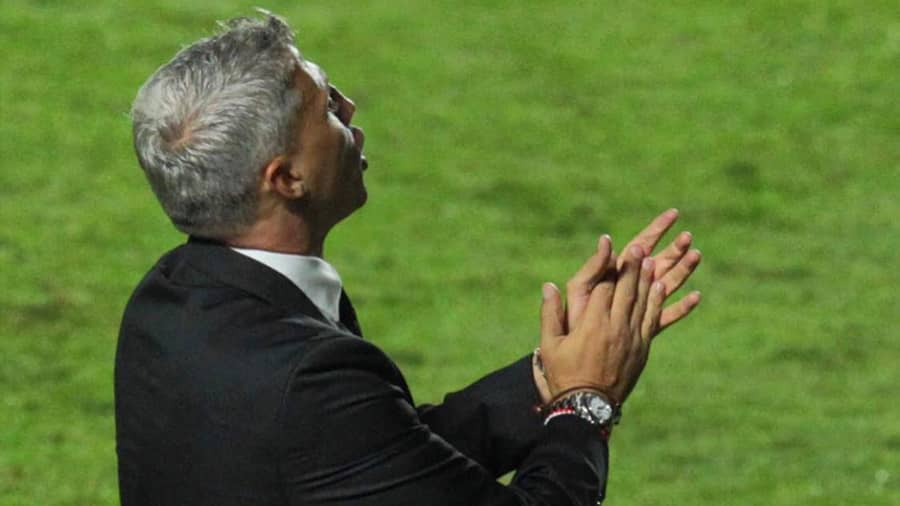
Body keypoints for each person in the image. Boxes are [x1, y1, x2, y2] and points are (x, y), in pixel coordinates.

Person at [115, 12, 702, 506]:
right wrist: (587, 400)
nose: (349, 108)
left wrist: (552, 373)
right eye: (326, 107)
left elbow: (382, 461)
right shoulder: (309, 379)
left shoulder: (166, 301)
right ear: (286, 178)